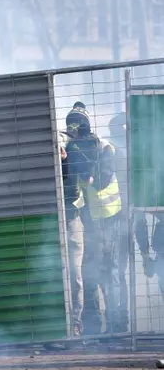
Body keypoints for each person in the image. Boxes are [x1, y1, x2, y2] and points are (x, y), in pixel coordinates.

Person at [64, 103, 126, 335]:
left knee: (109, 274)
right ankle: (93, 327)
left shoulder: (103, 147)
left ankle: (116, 327)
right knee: (90, 273)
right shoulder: (70, 148)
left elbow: (102, 180)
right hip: (87, 222)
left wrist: (86, 168)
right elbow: (71, 189)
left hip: (109, 222)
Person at [59, 131, 86, 336]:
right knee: (58, 273)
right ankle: (60, 323)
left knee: (75, 274)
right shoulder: (61, 144)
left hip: (72, 219)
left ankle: (75, 323)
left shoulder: (77, 153)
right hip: (54, 221)